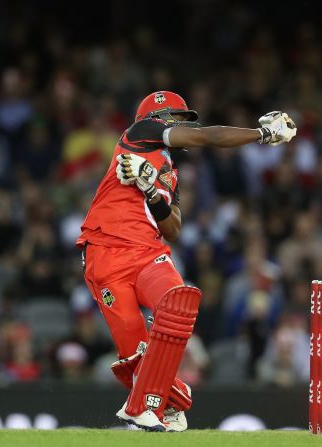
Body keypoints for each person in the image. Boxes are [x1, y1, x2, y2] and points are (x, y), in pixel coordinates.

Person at [76, 91, 297, 432]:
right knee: (137, 354)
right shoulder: (138, 134)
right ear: (160, 117)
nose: (184, 127)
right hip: (106, 252)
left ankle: (146, 406)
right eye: (178, 118)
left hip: (148, 253)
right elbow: (207, 135)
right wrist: (261, 134)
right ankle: (171, 402)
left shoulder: (169, 172)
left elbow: (173, 229)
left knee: (177, 303)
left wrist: (151, 190)